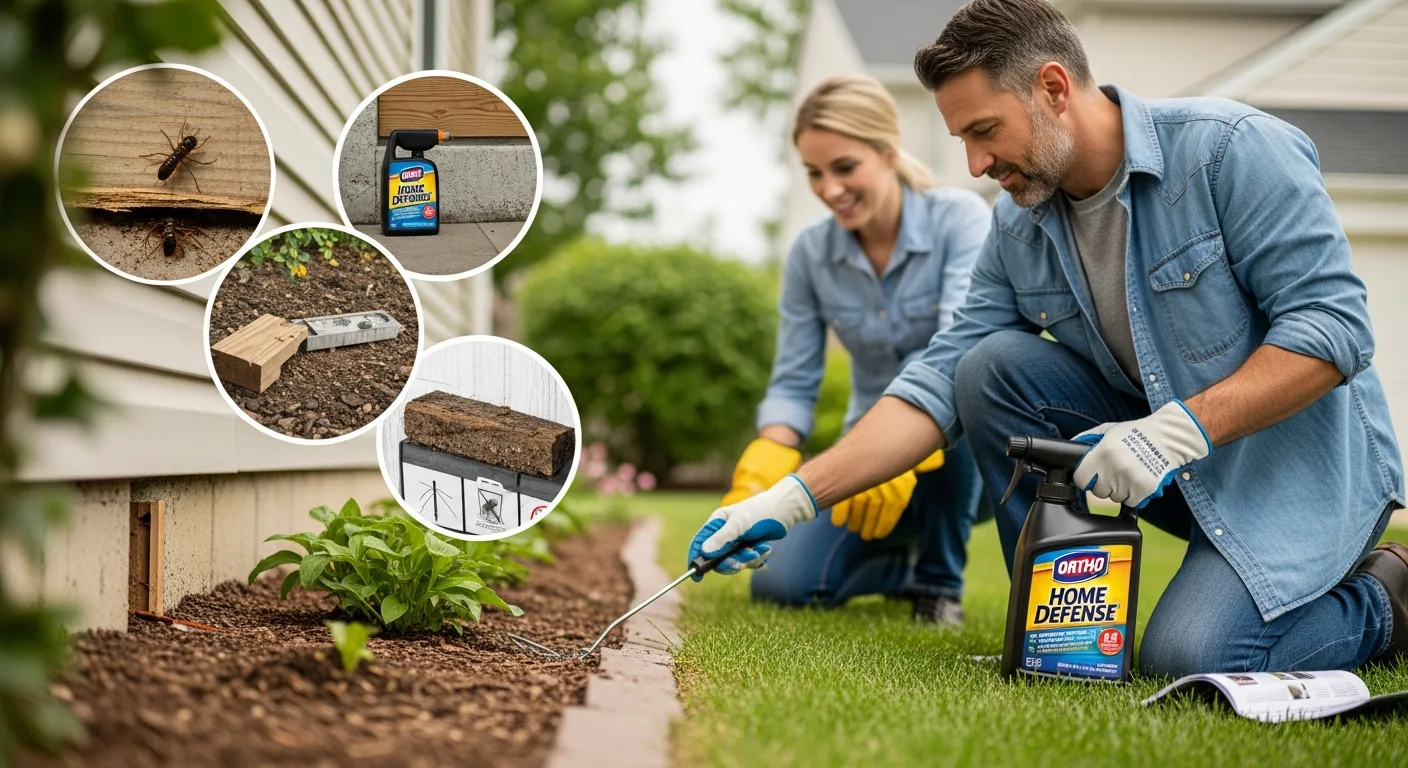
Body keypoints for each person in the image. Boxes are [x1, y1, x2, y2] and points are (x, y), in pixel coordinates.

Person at [687, 0, 1408, 677]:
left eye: (983, 131)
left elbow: (1332, 327)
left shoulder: (1231, 152)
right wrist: (784, 500)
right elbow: (939, 380)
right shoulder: (1017, 224)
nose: (973, 165)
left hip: (1298, 478)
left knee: (1190, 661)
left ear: (1054, 88)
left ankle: (1388, 595)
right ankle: (1054, 628)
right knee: (990, 366)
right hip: (1168, 467)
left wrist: (1174, 432)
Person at [712, 75, 991, 625]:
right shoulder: (811, 256)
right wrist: (766, 458)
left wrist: (903, 439)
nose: (828, 188)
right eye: (814, 173)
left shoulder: (960, 220)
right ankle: (902, 565)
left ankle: (938, 583)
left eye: (844, 167)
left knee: (966, 376)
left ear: (888, 152)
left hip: (966, 460)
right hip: (866, 460)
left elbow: (960, 347)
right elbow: (795, 381)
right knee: (784, 585)